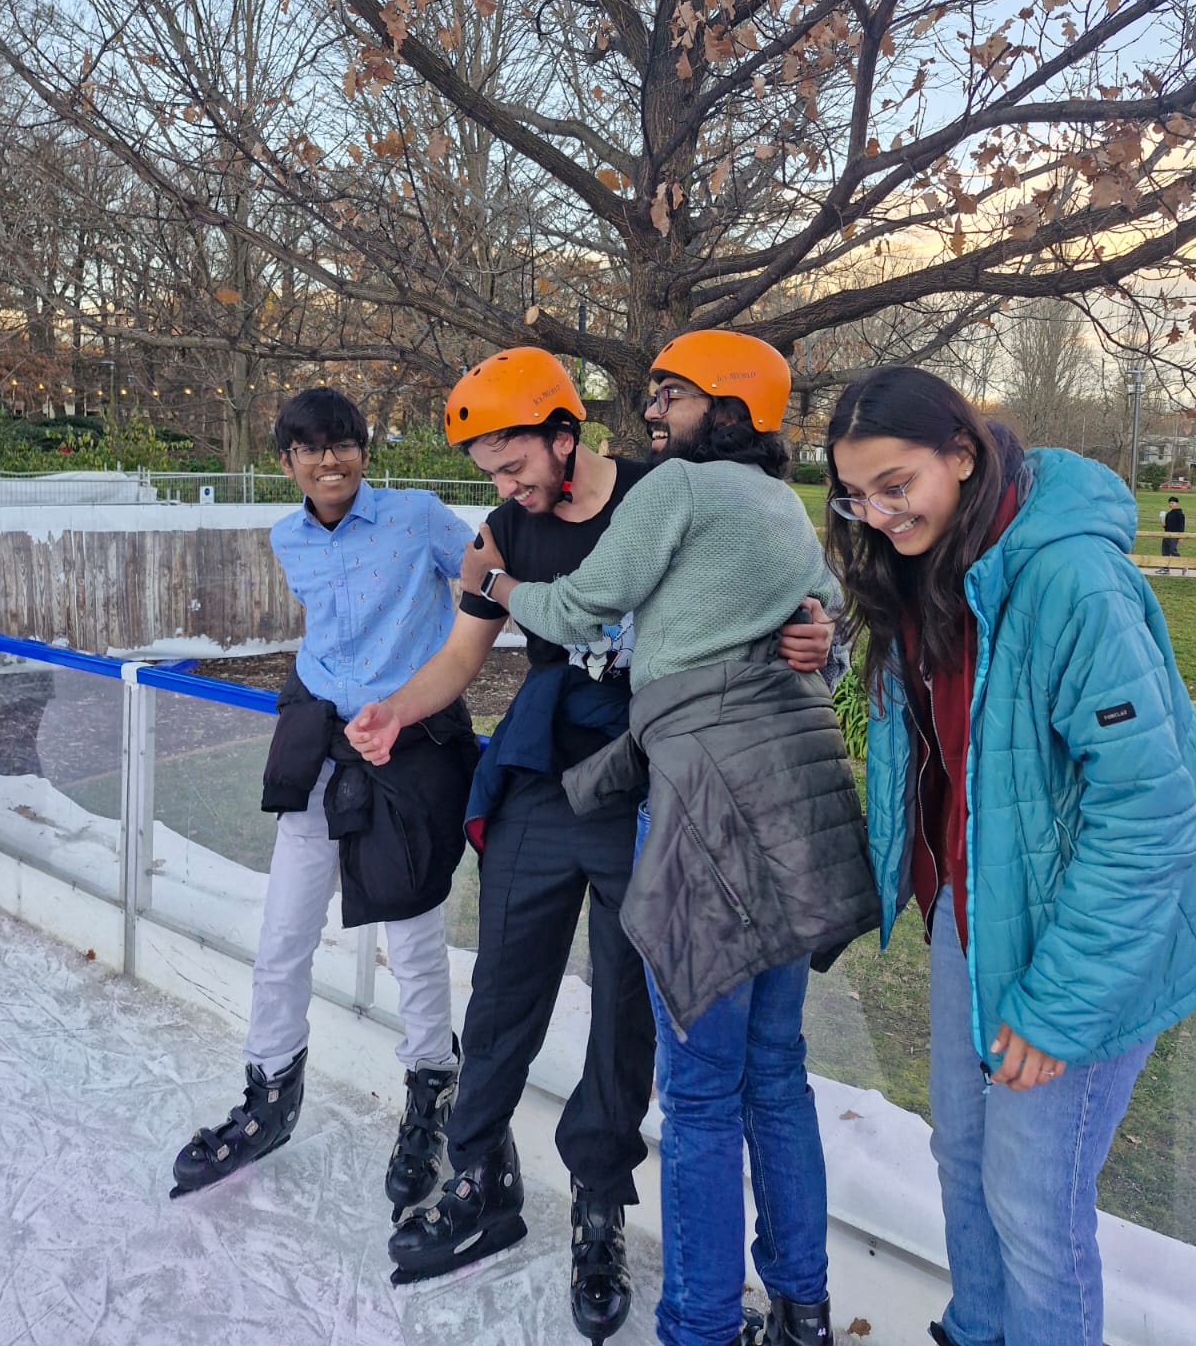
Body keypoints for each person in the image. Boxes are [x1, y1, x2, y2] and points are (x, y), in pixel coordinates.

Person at [346, 347, 834, 1345]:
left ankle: (599, 1203)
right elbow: (461, 651)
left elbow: (784, 582)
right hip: (541, 779)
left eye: (513, 460)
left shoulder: (673, 490)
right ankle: (479, 1172)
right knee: (505, 987)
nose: (506, 484)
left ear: (564, 433)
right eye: (489, 471)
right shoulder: (503, 531)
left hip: (648, 780)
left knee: (625, 1011)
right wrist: (394, 709)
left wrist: (818, 624)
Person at [461, 330, 879, 1346]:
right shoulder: (785, 506)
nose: (650, 412)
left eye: (671, 395)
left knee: (698, 1089)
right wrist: (819, 639)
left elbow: (579, 604)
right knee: (774, 1069)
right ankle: (802, 1308)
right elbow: (830, 634)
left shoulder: (679, 491)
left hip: (703, 799)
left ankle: (697, 1323)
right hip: (797, 794)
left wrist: (498, 588)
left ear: (728, 406)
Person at [823, 364, 1196, 1346]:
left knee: (1035, 1203)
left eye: (897, 485)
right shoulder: (923, 568)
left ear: (965, 452)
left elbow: (1152, 806)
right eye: (855, 494)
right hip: (971, 903)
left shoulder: (1072, 579)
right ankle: (977, 1325)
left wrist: (1063, 1000)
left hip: (1081, 929)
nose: (877, 514)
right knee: (962, 1152)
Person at [171, 388, 479, 1217]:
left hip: (409, 747)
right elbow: (327, 631)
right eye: (311, 449)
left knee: (412, 937)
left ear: (364, 451)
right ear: (287, 463)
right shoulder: (287, 535)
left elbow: (495, 578)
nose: (330, 461)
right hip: (318, 740)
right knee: (283, 934)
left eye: (343, 445)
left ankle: (430, 1092)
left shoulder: (417, 516)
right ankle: (271, 1093)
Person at [1162, 495, 1185, 559]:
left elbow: (1181, 525)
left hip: (1174, 535)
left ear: (1176, 504)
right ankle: (1165, 567)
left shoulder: (1179, 513)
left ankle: (1182, 565)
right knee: (1165, 551)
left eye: (1172, 503)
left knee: (1173, 551)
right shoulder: (1168, 514)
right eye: (1170, 503)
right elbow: (1166, 526)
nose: (1171, 504)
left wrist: (1181, 537)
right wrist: (1164, 525)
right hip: (1166, 534)